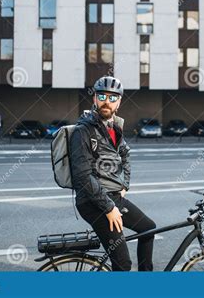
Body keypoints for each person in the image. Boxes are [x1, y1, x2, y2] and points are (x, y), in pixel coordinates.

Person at [70, 76, 156, 271]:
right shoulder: (83, 131)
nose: (106, 101)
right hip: (93, 203)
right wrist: (109, 208)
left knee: (148, 229)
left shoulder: (114, 128)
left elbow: (126, 155)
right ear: (94, 99)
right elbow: (82, 176)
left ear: (119, 102)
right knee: (122, 264)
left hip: (113, 197)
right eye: (102, 96)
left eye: (112, 97)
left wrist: (124, 185)